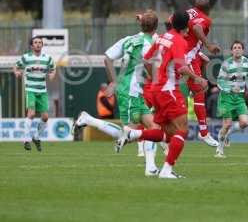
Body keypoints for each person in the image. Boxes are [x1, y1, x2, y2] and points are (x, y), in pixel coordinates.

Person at [73, 11, 163, 176]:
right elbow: (150, 63)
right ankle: (88, 119)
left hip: (129, 89)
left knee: (153, 128)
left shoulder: (128, 39)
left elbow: (107, 58)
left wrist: (114, 81)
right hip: (131, 90)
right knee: (128, 133)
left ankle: (150, 168)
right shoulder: (149, 43)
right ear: (156, 26)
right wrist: (156, 79)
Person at [120, 11, 209, 179]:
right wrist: (199, 79)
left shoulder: (163, 37)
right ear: (187, 26)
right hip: (169, 90)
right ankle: (167, 170)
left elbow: (146, 59)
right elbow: (182, 67)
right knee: (182, 131)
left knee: (166, 133)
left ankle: (133, 134)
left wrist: (156, 77)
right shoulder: (179, 41)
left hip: (156, 89)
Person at [184, 0, 220, 147]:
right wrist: (209, 44)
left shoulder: (187, 12)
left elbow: (170, 20)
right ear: (208, 8)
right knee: (200, 90)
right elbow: (197, 28)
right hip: (187, 56)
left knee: (205, 60)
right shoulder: (205, 19)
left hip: (186, 52)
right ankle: (204, 133)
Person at [214, 40, 248, 158]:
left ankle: (228, 134)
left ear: (243, 50)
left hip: (239, 97)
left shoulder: (247, 62)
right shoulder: (226, 64)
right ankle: (220, 150)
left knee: (245, 123)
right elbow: (219, 81)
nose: (237, 49)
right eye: (235, 47)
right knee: (227, 124)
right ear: (232, 50)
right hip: (226, 97)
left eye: (239, 47)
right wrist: (230, 88)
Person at [14, 36, 56, 151]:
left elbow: (53, 68)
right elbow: (16, 66)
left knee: (45, 117)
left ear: (42, 45)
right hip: (31, 89)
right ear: (32, 46)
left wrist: (52, 74)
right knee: (31, 114)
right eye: (35, 42)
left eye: (40, 42)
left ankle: (36, 137)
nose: (38, 44)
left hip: (42, 91)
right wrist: (17, 72)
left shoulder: (47, 58)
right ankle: (26, 139)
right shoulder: (26, 57)